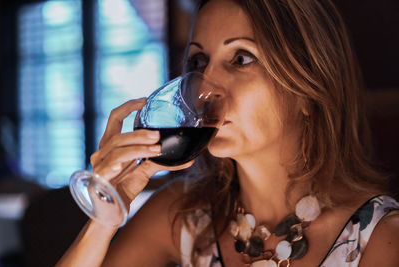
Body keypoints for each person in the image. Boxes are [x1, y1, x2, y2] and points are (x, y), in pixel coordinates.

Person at [56, 0, 399, 266]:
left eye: (241, 59)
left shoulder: (381, 239)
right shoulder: (183, 216)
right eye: (198, 63)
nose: (209, 84)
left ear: (306, 92)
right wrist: (105, 217)